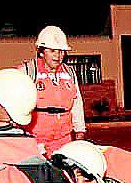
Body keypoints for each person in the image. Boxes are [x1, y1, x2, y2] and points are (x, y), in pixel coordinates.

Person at [19, 25, 86, 154]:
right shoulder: (27, 71)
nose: (58, 56)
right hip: (35, 140)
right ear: (41, 52)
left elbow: (76, 104)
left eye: (61, 51)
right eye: (52, 51)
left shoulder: (69, 73)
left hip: (63, 139)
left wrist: (80, 131)